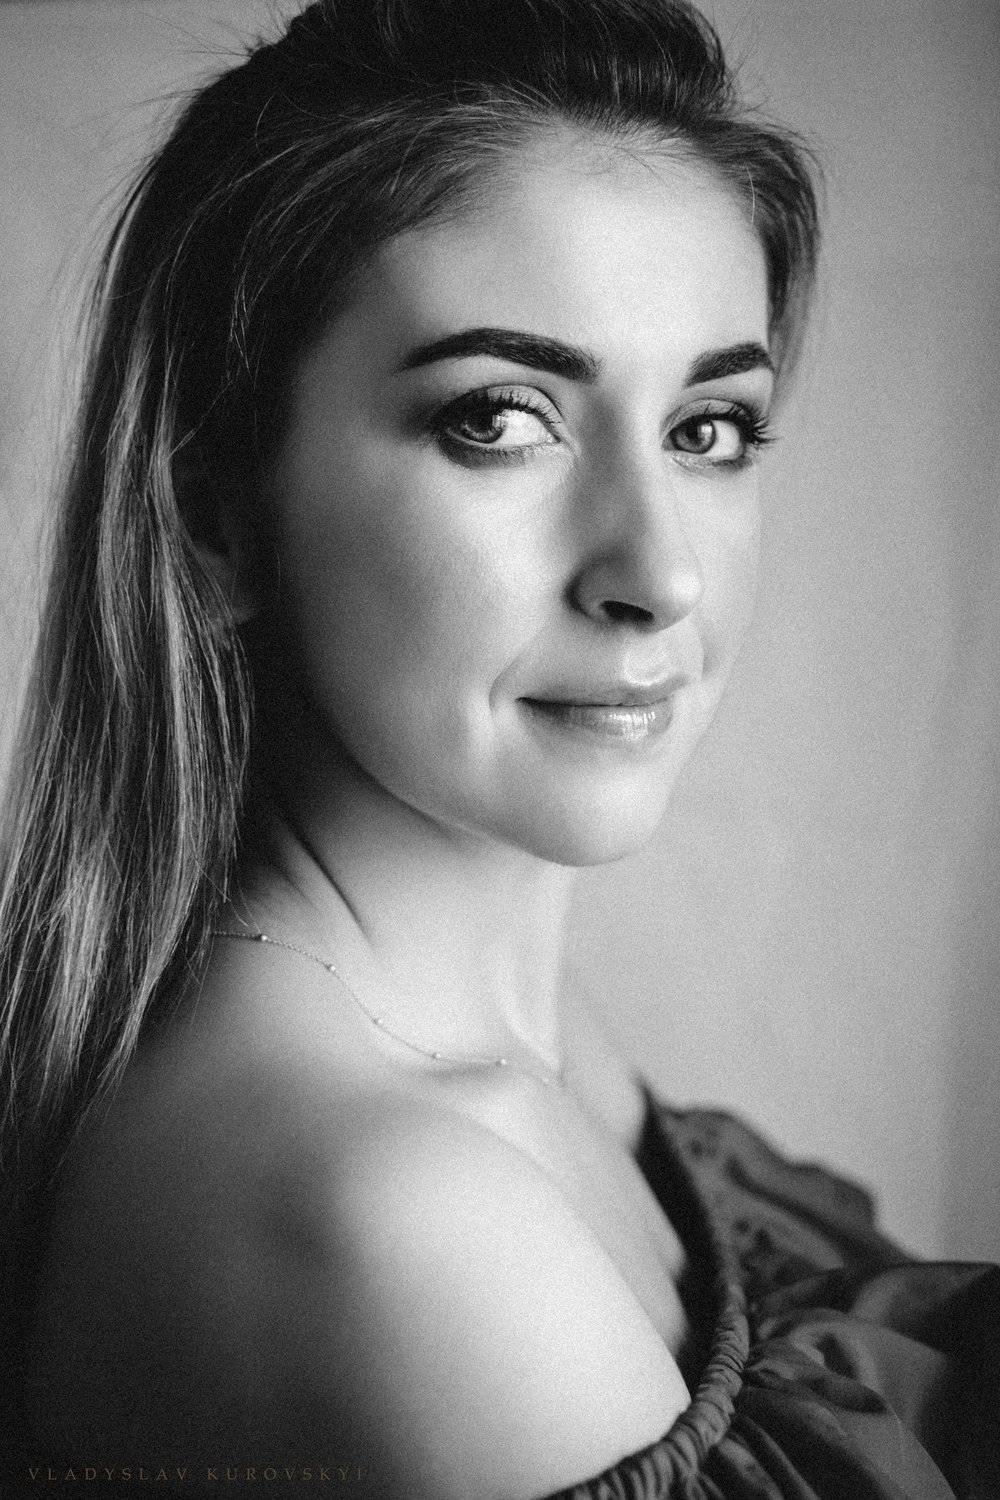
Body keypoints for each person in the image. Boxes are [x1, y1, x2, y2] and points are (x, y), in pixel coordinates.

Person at [0, 1, 996, 1496]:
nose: (659, 574)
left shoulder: (500, 1033)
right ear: (216, 517)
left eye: (710, 428)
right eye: (502, 418)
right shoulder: (391, 1221)